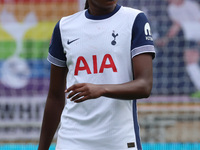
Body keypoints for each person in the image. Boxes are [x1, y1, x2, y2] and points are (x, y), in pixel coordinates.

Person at [38, 0, 155, 150]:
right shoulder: (64, 27)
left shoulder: (134, 19)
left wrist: (101, 89)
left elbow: (144, 86)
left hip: (118, 139)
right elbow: (55, 96)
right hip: (72, 139)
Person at [156, 0, 200, 97]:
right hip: (190, 38)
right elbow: (176, 26)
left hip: (196, 33)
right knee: (190, 62)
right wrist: (165, 39)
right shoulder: (171, 9)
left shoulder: (191, 5)